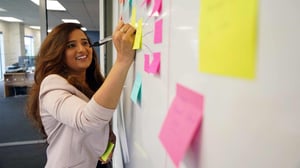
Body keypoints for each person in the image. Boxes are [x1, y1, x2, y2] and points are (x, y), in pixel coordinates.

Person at [26, 20, 136, 168]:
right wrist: (123, 60)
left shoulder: (90, 82)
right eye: (71, 45)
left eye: (85, 43)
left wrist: (105, 141)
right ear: (57, 52)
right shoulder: (51, 85)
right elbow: (87, 120)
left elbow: (90, 126)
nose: (82, 49)